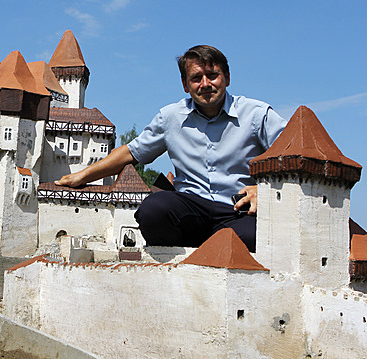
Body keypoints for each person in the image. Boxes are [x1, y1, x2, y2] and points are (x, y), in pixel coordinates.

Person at [54, 45, 286, 251]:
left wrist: (262, 190)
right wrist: (82, 176)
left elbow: (296, 156)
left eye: (212, 75)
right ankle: (179, 263)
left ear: (226, 77)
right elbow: (131, 153)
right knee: (153, 211)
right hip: (191, 208)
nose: (205, 84)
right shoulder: (171, 118)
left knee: (257, 238)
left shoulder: (257, 115)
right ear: (185, 85)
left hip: (238, 209)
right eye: (196, 78)